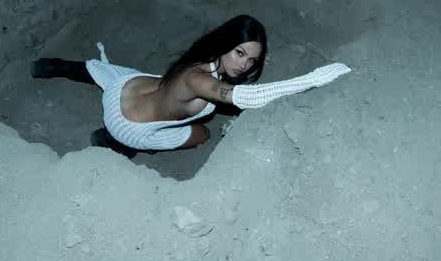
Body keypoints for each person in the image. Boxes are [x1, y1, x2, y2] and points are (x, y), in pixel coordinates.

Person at [31, 15, 350, 158]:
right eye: (239, 53)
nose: (244, 65)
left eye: (252, 60)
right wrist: (313, 79)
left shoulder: (203, 55)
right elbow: (248, 96)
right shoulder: (199, 79)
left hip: (126, 88)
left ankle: (52, 66)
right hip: (128, 126)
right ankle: (113, 142)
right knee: (203, 134)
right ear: (226, 45)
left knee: (103, 72)